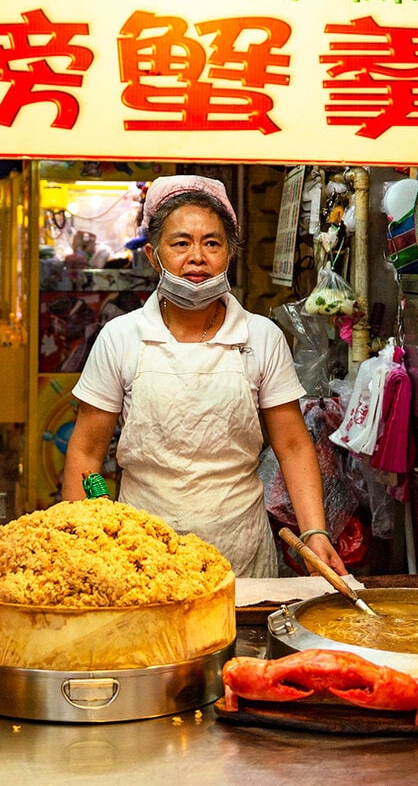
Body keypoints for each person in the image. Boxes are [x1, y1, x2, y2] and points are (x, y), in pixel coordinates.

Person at [62, 174, 346, 578]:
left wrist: (315, 531)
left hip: (239, 553)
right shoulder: (121, 337)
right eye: (180, 243)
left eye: (212, 243)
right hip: (142, 553)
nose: (197, 257)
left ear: (230, 254)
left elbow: (293, 446)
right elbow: (86, 453)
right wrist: (81, 542)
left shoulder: (261, 337)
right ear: (153, 256)